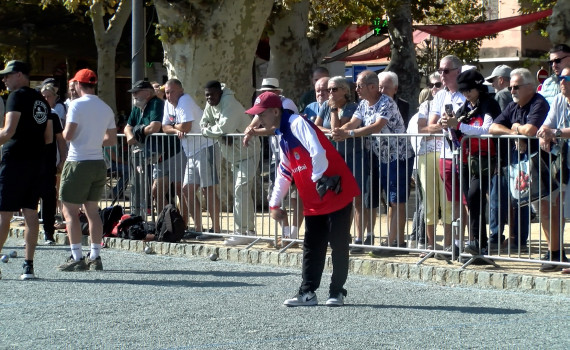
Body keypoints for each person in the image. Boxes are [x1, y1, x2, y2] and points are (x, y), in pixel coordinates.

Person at [247, 92, 359, 306]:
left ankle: (337, 292)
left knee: (339, 243)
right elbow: (285, 169)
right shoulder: (281, 133)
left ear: (275, 111)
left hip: (336, 191)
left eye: (261, 114)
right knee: (312, 245)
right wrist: (274, 202)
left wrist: (317, 178)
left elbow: (317, 152)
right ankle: (307, 292)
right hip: (316, 197)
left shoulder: (297, 123)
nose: (258, 119)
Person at [331, 70, 414, 258]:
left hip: (399, 156)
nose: (356, 89)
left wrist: (349, 134)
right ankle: (396, 241)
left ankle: (394, 244)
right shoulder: (362, 104)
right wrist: (339, 131)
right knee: (392, 199)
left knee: (396, 199)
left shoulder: (386, 102)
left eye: (359, 85)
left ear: (372, 87)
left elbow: (376, 126)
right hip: (382, 156)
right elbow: (353, 123)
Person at [489, 68, 560, 272]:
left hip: (547, 164)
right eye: (511, 87)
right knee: (541, 210)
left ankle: (555, 253)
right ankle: (553, 252)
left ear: (529, 86)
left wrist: (519, 129)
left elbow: (531, 130)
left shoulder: (539, 103)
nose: (512, 90)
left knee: (549, 209)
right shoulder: (513, 106)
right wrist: (516, 130)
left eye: (516, 87)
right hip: (528, 168)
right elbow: (493, 127)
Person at [56, 68, 116, 272]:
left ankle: (76, 256)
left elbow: (68, 135)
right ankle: (95, 257)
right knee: (92, 211)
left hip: (78, 162)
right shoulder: (106, 108)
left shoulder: (75, 105)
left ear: (79, 84)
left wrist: (66, 130)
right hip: (98, 162)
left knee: (69, 211)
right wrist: (94, 140)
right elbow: (112, 139)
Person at [0, 60, 51, 280]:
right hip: (37, 160)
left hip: (15, 160)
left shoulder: (16, 96)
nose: (4, 79)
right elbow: (48, 137)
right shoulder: (42, 100)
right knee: (31, 213)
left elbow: (9, 131)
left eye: (7, 75)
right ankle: (28, 265)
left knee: (4, 214)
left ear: (20, 75)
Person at [443, 69, 501, 259]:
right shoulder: (465, 107)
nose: (466, 94)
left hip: (485, 159)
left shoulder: (488, 103)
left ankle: (478, 243)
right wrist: (448, 126)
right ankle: (477, 244)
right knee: (471, 200)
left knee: (476, 195)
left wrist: (457, 125)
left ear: (478, 87)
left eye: (469, 90)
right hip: (467, 160)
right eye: (463, 90)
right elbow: (456, 134)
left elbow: (485, 129)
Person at [200, 80, 260, 245]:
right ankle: (249, 231)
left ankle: (242, 231)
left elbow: (223, 129)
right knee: (242, 191)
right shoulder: (210, 104)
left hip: (249, 152)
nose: (209, 98)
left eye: (212, 94)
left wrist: (214, 132)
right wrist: (217, 132)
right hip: (234, 156)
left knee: (240, 190)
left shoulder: (230, 103)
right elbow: (203, 123)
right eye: (207, 95)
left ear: (220, 92)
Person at [162, 79, 221, 235]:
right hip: (190, 151)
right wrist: (176, 130)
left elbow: (186, 127)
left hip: (205, 146)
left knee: (207, 189)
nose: (169, 96)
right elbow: (164, 127)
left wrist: (174, 127)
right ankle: (198, 228)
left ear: (181, 90)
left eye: (172, 91)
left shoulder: (185, 100)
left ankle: (216, 229)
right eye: (167, 92)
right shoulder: (168, 104)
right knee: (187, 190)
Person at [313, 76, 365, 253]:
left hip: (353, 156)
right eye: (328, 89)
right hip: (334, 158)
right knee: (335, 195)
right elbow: (317, 127)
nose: (330, 93)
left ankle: (359, 237)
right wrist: (330, 131)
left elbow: (340, 128)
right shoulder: (325, 106)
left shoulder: (352, 107)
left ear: (345, 90)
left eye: (334, 89)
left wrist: (334, 110)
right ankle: (339, 233)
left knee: (355, 196)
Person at [426, 55, 466, 260]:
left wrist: (456, 124)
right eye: (440, 70)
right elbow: (427, 127)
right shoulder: (440, 96)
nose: (442, 75)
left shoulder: (467, 91)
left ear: (458, 71)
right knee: (454, 202)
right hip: (447, 154)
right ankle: (455, 244)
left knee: (468, 201)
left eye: (446, 71)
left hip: (466, 153)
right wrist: (443, 124)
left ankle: (470, 241)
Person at [536, 65, 570, 272]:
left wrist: (555, 132)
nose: (562, 82)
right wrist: (544, 135)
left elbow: (556, 129)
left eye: (567, 79)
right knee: (562, 208)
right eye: (560, 78)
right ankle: (559, 255)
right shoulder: (558, 100)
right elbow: (546, 125)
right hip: (564, 163)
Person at [411, 72, 446, 256]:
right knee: (429, 202)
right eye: (431, 85)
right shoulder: (426, 104)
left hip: (446, 154)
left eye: (438, 84)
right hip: (426, 155)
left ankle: (449, 245)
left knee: (448, 201)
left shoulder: (452, 100)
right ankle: (431, 245)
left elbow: (453, 127)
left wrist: (433, 129)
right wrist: (443, 126)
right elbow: (421, 129)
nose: (434, 88)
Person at [123, 80, 163, 217]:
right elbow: (127, 127)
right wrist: (130, 136)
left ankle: (152, 216)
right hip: (138, 151)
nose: (133, 95)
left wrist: (136, 132)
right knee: (137, 183)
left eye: (136, 92)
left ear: (147, 93)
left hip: (155, 152)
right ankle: (137, 214)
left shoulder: (156, 104)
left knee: (152, 186)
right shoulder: (137, 107)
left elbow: (154, 127)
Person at [40, 84, 67, 244]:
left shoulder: (53, 114)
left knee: (49, 197)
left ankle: (48, 232)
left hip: (49, 162)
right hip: (30, 163)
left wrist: (63, 159)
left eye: (48, 96)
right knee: (30, 200)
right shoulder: (30, 113)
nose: (45, 99)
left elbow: (60, 139)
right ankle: (32, 232)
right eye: (42, 95)